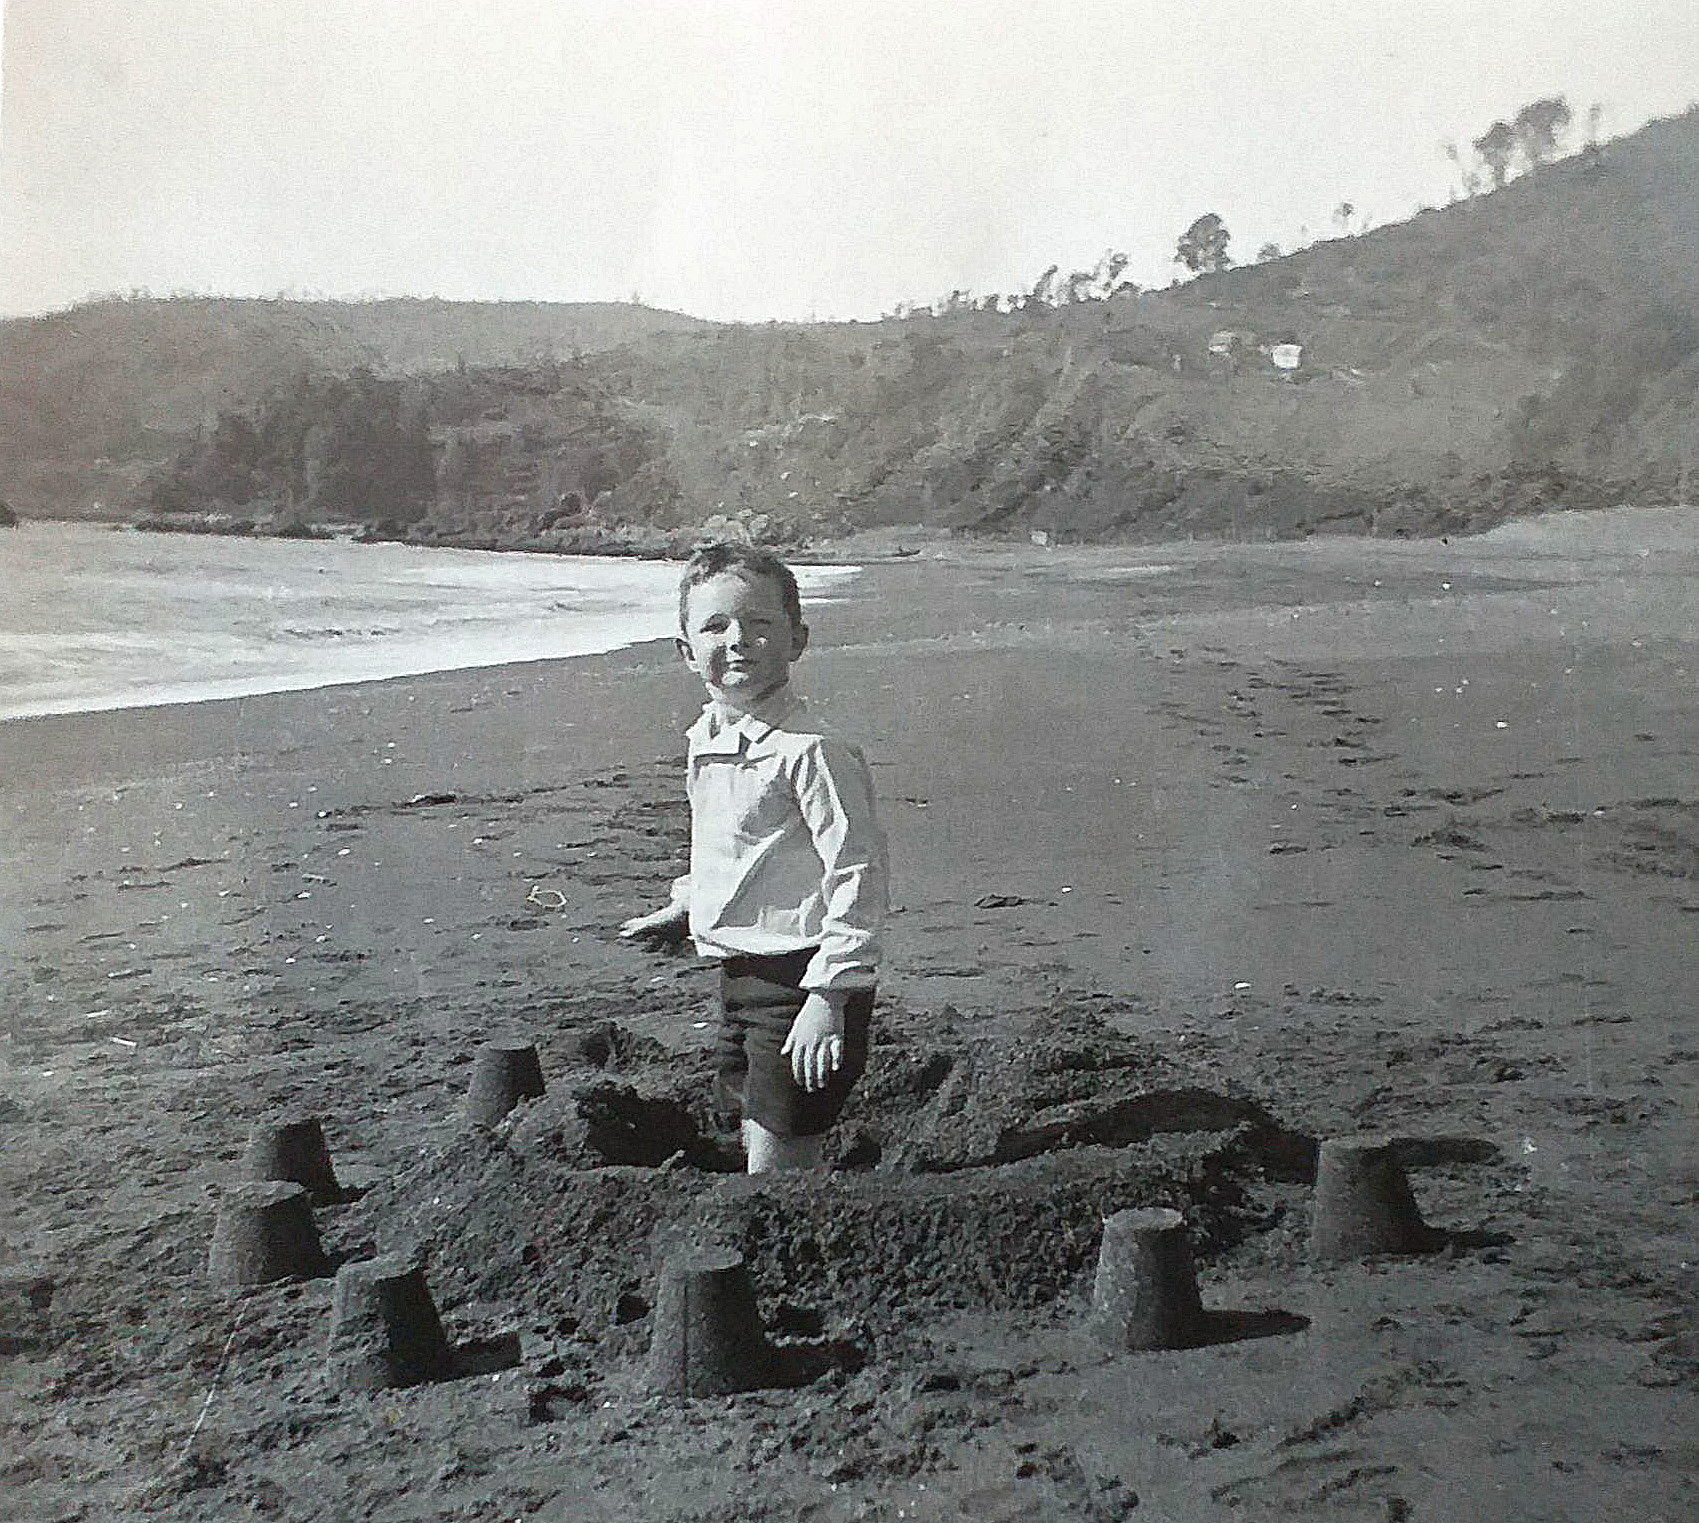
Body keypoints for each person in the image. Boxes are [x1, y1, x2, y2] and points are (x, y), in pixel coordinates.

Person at [619, 543, 888, 1174]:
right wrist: (689, 906)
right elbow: (728, 848)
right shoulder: (707, 740)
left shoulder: (812, 751)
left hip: (805, 973)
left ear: (796, 641)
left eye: (760, 624)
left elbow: (857, 872)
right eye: (715, 626)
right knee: (749, 1112)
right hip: (739, 971)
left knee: (782, 1140)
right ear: (687, 653)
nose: (738, 640)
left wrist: (829, 997)